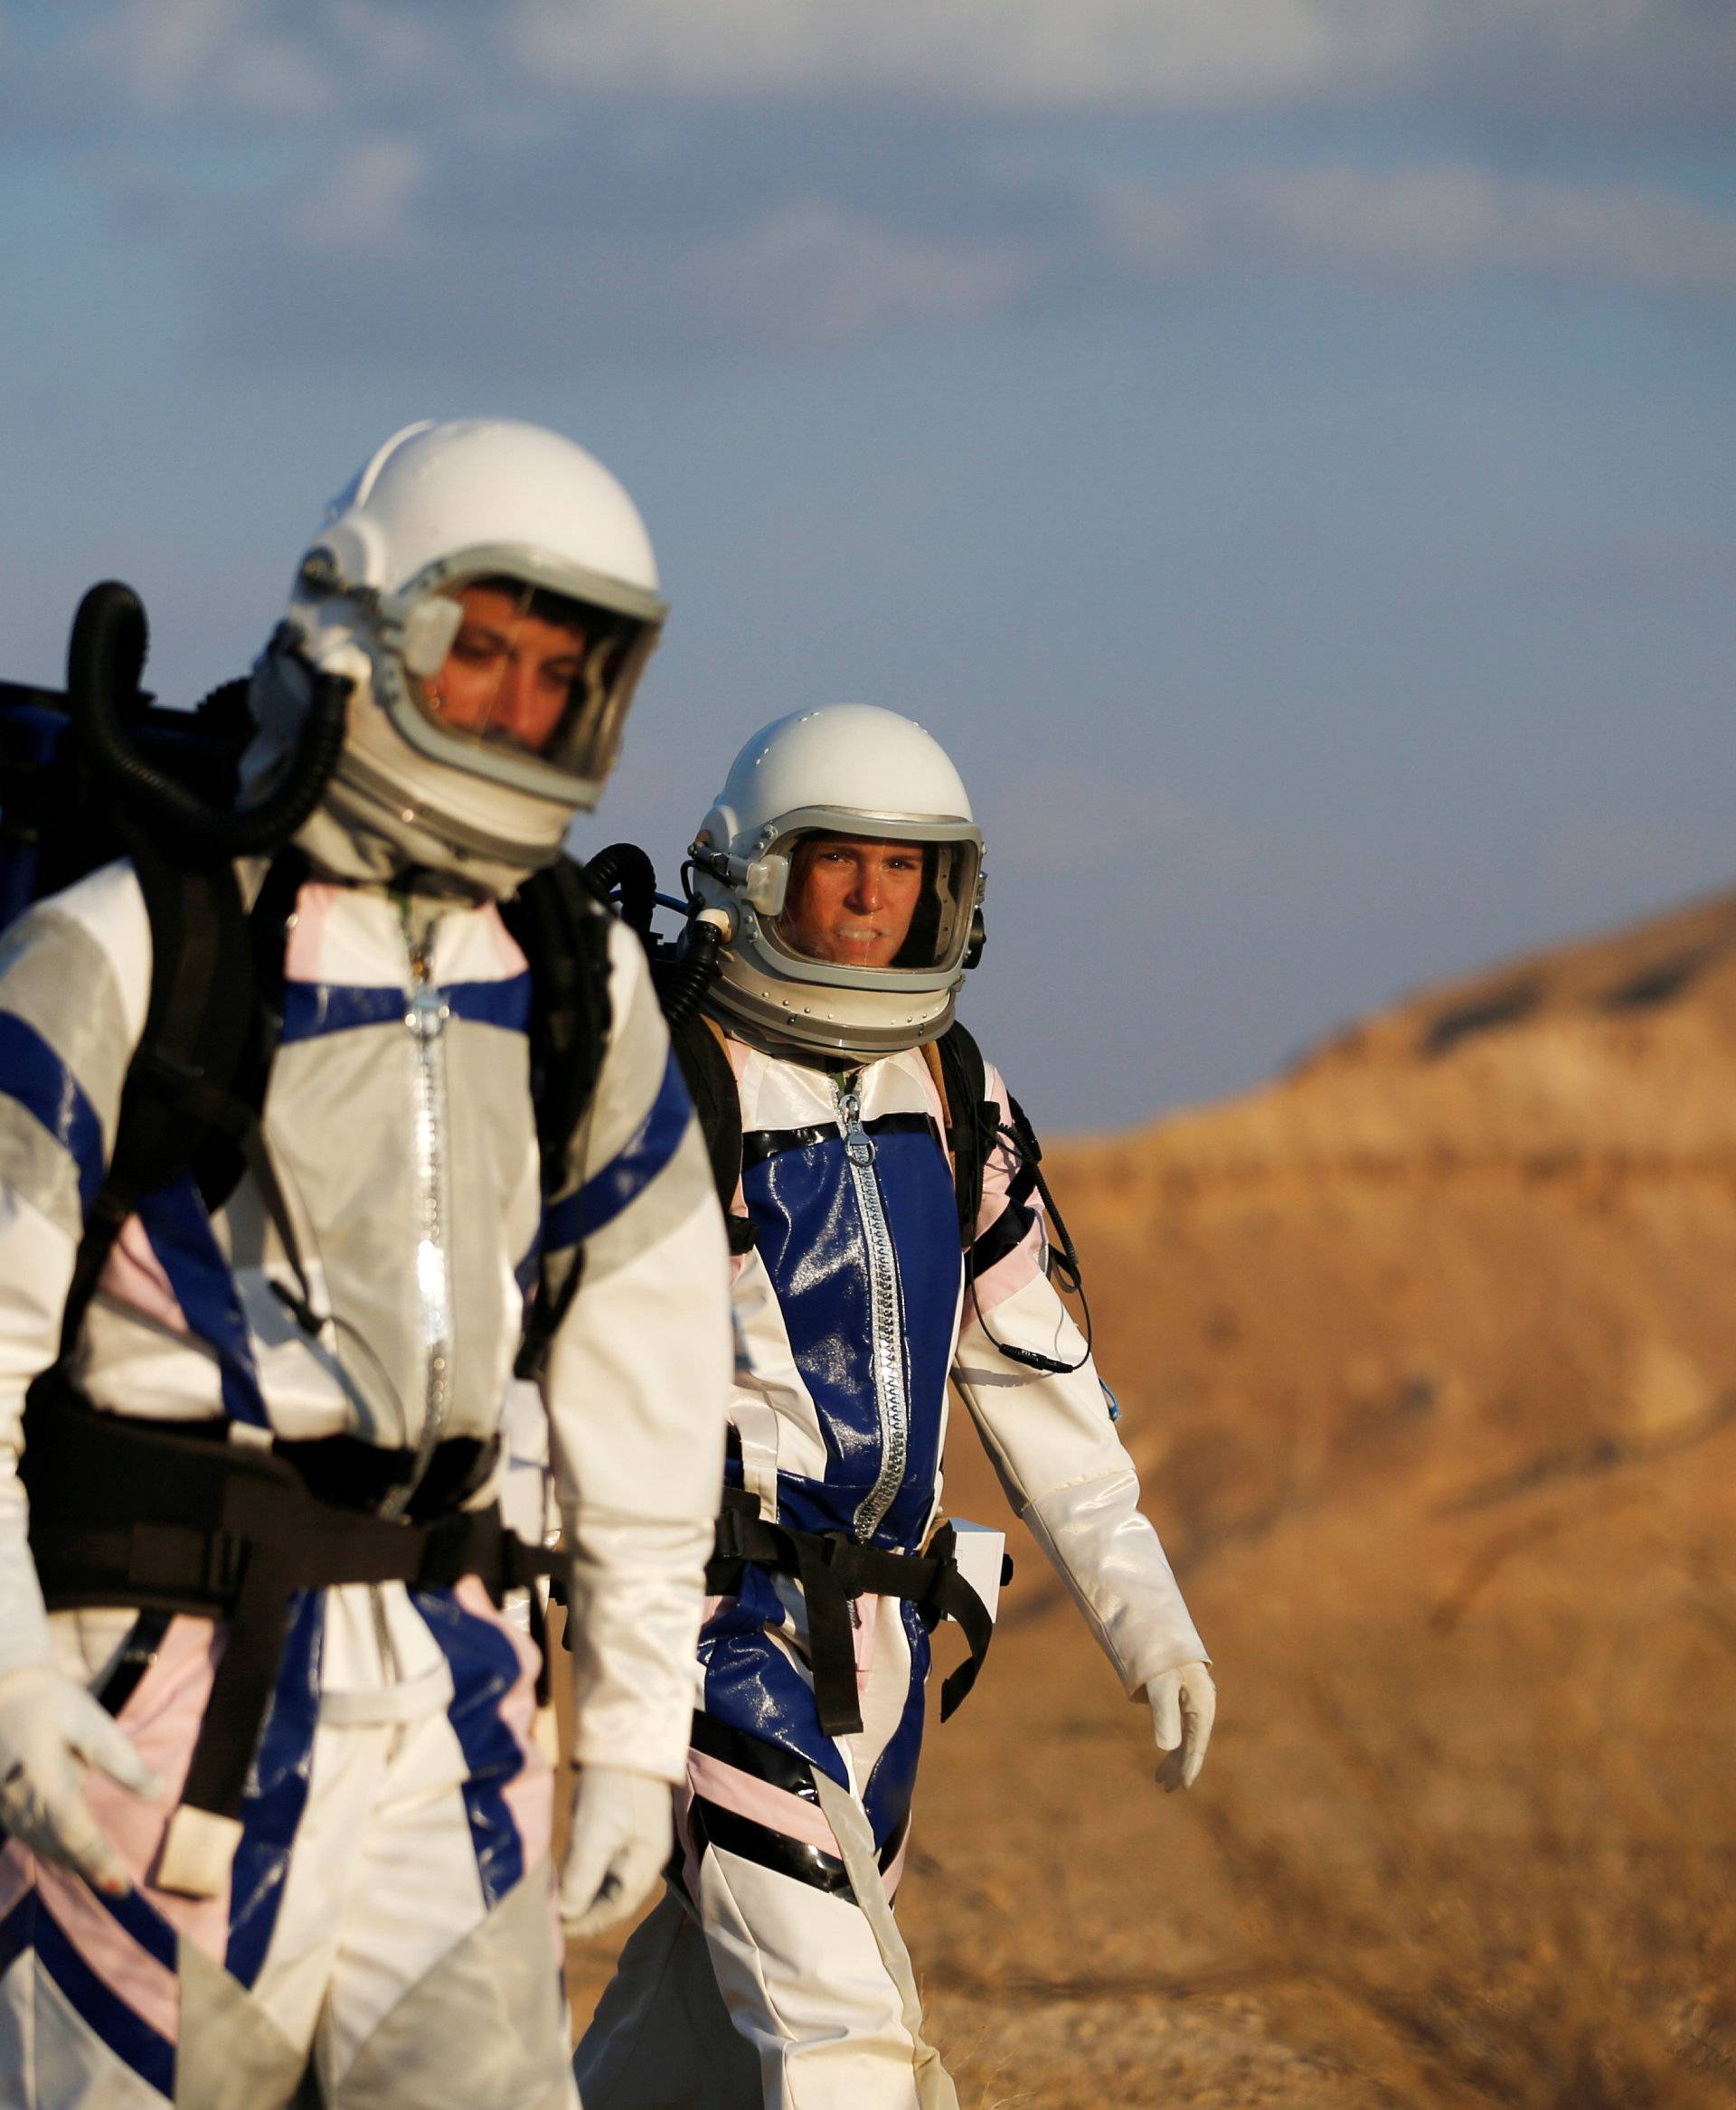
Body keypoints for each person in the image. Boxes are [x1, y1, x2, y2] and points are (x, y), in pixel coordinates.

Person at [0, 419, 731, 2109]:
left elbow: (651, 1356)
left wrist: (628, 1728)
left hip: (455, 1714)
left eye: (560, 673)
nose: (514, 706)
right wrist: (17, 1670)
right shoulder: (130, 939)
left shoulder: (574, 981)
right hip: (148, 1704)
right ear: (356, 617)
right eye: (478, 648)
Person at [573, 703, 1213, 2110]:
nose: (873, 897)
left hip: (887, 1652)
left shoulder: (958, 1087)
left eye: (906, 866)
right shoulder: (675, 1078)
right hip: (711, 1630)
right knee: (847, 2038)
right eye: (839, 860)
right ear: (754, 871)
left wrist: (1149, 1617)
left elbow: (1037, 1386)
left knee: (685, 2050)